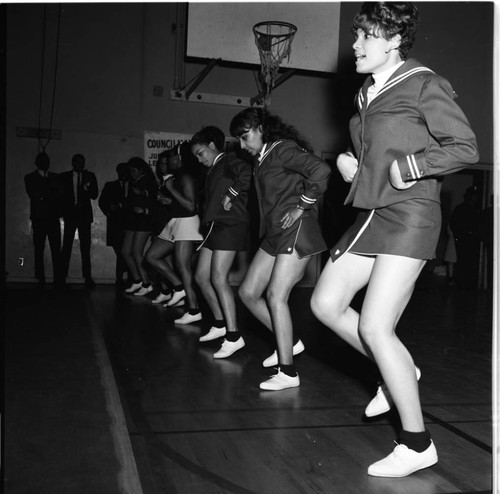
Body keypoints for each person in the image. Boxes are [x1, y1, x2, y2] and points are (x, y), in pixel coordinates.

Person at [310, 2, 479, 478]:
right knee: (325, 304)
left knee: (375, 327)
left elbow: (465, 146)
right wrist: (348, 162)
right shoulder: (368, 91)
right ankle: (397, 370)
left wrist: (412, 168)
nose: (355, 44)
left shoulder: (425, 83)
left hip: (411, 215)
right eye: (356, 35)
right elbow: (376, 149)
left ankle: (416, 442)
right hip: (373, 215)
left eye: (365, 36)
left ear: (393, 41)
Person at [229, 107, 331, 390]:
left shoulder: (282, 149)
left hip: (296, 231)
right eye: (238, 139)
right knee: (248, 293)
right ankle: (290, 342)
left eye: (244, 136)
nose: (242, 144)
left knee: (276, 295)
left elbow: (320, 169)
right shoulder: (262, 158)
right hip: (275, 234)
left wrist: (302, 206)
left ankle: (287, 372)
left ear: (261, 128)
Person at [191, 126, 252, 358]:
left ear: (212, 146)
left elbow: (246, 173)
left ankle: (234, 336)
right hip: (215, 227)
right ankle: (219, 323)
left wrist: (232, 193)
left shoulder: (229, 159)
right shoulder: (213, 168)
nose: (199, 159)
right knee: (201, 276)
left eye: (200, 153)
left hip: (230, 225)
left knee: (218, 277)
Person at [144, 143, 203, 324]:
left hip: (187, 222)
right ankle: (178, 286)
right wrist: (168, 199)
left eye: (171, 157)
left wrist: (170, 189)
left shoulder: (185, 176)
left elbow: (191, 206)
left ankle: (194, 310)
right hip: (175, 221)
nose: (168, 161)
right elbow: (181, 203)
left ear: (180, 158)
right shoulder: (177, 176)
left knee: (182, 265)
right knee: (151, 256)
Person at [24, 152, 63, 287]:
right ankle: (40, 279)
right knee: (39, 249)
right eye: (43, 160)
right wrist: (50, 193)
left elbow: (56, 194)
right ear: (37, 162)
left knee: (56, 249)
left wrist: (45, 195)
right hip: (39, 219)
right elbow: (34, 195)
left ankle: (58, 279)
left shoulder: (55, 177)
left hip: (51, 218)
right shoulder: (29, 178)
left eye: (47, 160)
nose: (46, 163)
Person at [60, 153, 99, 287]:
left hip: (84, 215)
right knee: (66, 246)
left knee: (85, 247)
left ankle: (87, 277)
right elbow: (61, 195)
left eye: (82, 163)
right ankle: (62, 276)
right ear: (73, 163)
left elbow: (94, 195)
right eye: (77, 162)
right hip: (70, 215)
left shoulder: (90, 176)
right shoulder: (64, 177)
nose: (80, 165)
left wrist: (87, 188)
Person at [121, 157, 158, 296]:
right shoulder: (132, 181)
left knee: (137, 252)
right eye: (130, 171)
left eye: (134, 171)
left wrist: (143, 193)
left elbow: (154, 197)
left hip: (145, 220)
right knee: (125, 251)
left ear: (141, 169)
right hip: (133, 221)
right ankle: (137, 280)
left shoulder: (149, 180)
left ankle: (146, 283)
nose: (132, 173)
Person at [98, 162, 130, 286]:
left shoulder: (134, 186)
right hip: (116, 224)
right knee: (121, 251)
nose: (123, 174)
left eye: (125, 171)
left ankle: (126, 277)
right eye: (121, 171)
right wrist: (109, 213)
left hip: (131, 225)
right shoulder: (110, 186)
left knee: (128, 251)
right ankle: (121, 277)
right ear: (117, 173)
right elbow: (102, 202)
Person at [450, 186, 481, 290]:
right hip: (463, 239)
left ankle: (467, 283)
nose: (475, 198)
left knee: (470, 262)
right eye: (473, 196)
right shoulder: (461, 209)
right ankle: (461, 283)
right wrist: (458, 236)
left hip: (471, 240)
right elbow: (454, 224)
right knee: (463, 261)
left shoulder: (475, 210)